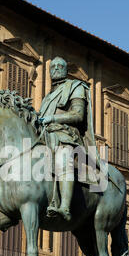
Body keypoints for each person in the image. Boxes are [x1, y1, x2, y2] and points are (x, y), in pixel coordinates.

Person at [38, 57, 93, 221]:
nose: (55, 68)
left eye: (60, 66)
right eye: (52, 66)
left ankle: (65, 207)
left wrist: (53, 119)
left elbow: (78, 115)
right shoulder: (48, 97)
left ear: (66, 69)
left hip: (66, 135)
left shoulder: (75, 87)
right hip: (46, 135)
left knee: (63, 160)